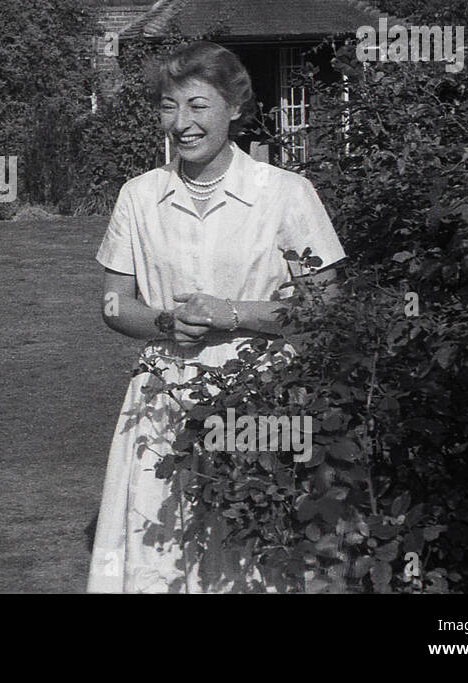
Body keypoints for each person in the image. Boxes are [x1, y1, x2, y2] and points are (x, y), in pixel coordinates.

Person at [87, 41, 345, 593]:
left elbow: (325, 304)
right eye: (168, 106)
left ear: (234, 107)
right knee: (160, 547)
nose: (182, 123)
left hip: (259, 393)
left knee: (250, 543)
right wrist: (161, 323)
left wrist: (234, 313)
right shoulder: (139, 196)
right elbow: (113, 304)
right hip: (162, 400)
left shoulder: (285, 194)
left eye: (198, 106)